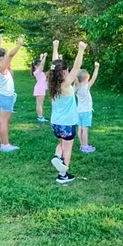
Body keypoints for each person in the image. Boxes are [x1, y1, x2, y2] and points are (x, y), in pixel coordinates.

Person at [49, 40, 87, 184]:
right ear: (64, 71)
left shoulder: (52, 82)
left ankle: (57, 157)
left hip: (55, 123)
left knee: (62, 143)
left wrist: (55, 47)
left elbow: (54, 64)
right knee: (68, 147)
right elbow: (77, 67)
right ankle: (63, 175)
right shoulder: (65, 84)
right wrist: (81, 50)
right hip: (67, 123)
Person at [0, 37, 24, 152]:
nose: (5, 59)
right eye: (3, 57)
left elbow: (0, 54)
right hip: (6, 97)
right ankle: (5, 145)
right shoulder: (1, 68)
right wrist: (19, 44)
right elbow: (10, 55)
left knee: (1, 121)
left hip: (1, 96)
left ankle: (3, 144)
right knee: (4, 122)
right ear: (0, 59)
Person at [75, 61, 99, 153]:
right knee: (85, 130)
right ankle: (85, 147)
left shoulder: (76, 87)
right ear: (85, 79)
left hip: (79, 111)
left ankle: (82, 145)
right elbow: (94, 77)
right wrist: (96, 67)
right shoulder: (86, 87)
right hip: (86, 112)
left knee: (80, 128)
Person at [31, 53, 48, 122]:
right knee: (40, 104)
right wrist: (45, 57)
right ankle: (40, 117)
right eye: (39, 65)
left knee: (39, 103)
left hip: (39, 88)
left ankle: (40, 116)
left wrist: (41, 57)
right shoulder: (37, 71)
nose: (41, 67)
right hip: (40, 89)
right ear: (36, 66)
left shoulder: (37, 71)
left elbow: (40, 64)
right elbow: (42, 64)